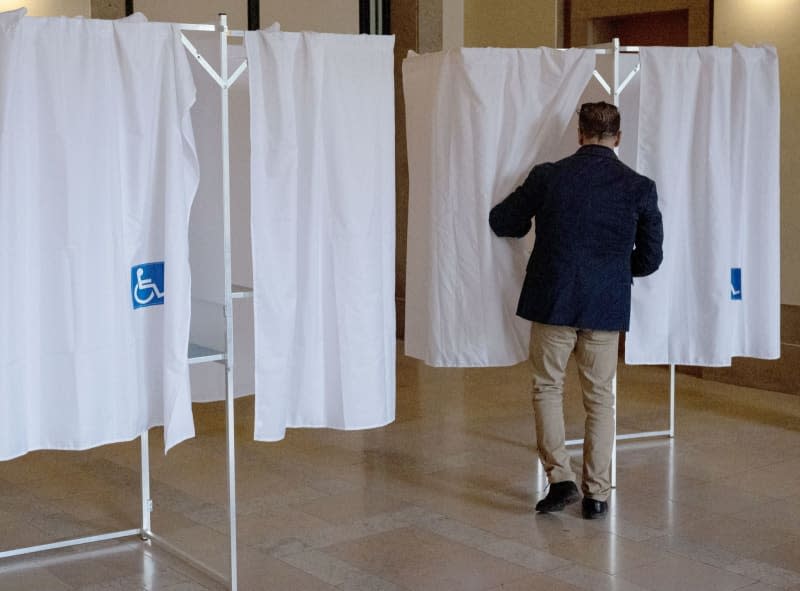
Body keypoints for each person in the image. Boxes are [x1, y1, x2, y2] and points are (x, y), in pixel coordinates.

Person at [488, 101, 663, 519]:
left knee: (547, 387)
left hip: (553, 300)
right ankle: (598, 495)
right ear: (617, 138)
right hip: (605, 306)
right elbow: (652, 258)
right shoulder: (639, 186)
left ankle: (560, 479)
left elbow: (504, 221)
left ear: (580, 133)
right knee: (600, 399)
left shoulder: (549, 176)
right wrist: (618, 272)